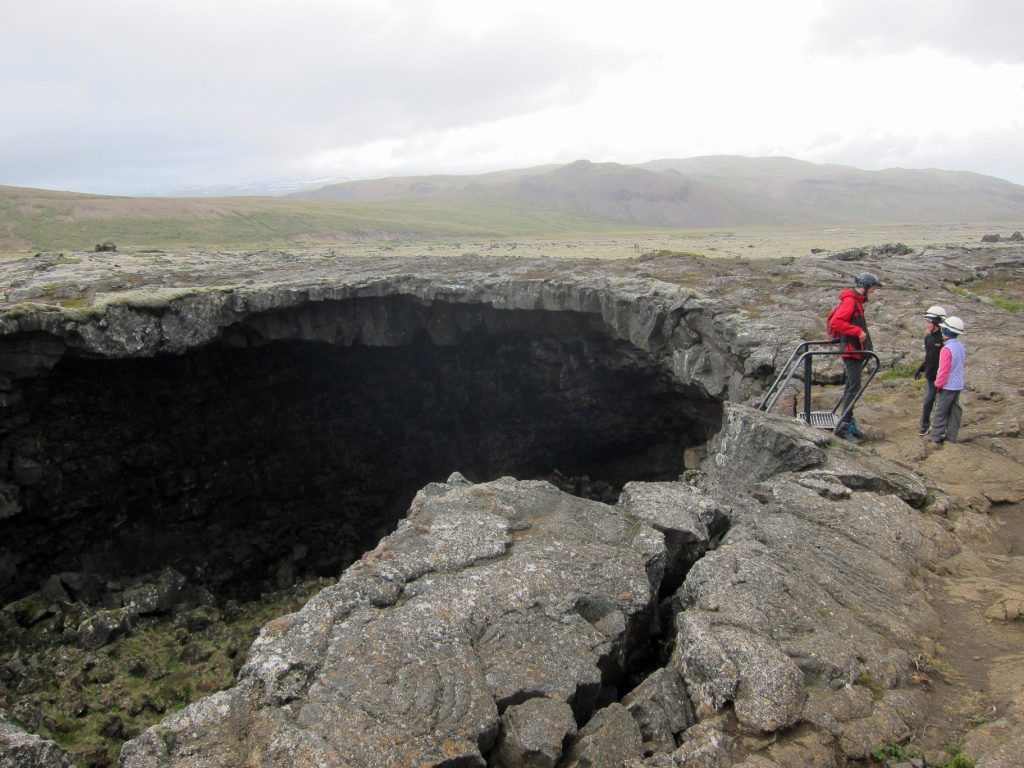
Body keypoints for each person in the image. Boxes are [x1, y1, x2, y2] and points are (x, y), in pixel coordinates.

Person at [828, 271, 881, 439]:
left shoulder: (855, 301)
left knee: (851, 387)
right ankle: (844, 426)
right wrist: (857, 331)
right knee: (854, 388)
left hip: (855, 351)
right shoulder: (850, 301)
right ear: (865, 287)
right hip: (851, 351)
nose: (873, 291)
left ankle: (847, 422)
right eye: (872, 288)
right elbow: (837, 321)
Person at [929, 315, 965, 445]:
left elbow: (944, 370)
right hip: (958, 384)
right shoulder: (960, 346)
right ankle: (952, 437)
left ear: (946, 332)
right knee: (955, 410)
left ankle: (935, 437)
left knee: (940, 411)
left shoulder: (946, 349)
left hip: (947, 386)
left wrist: (938, 384)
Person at [915, 305, 947, 436]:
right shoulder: (928, 338)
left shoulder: (943, 339)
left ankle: (940, 429)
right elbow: (929, 357)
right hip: (930, 376)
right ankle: (924, 426)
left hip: (941, 377)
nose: (926, 324)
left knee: (940, 404)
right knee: (928, 401)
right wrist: (921, 368)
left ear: (936, 322)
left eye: (929, 321)